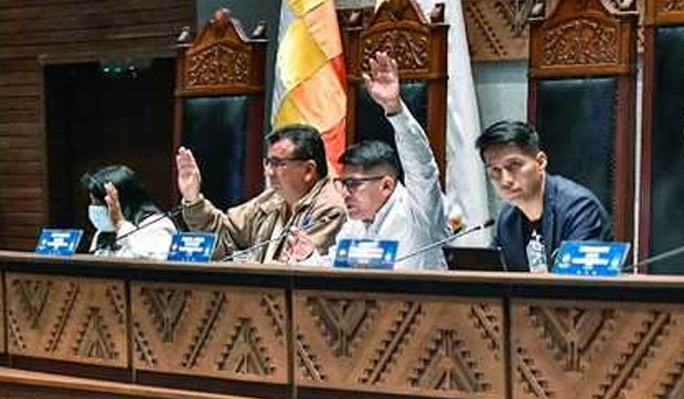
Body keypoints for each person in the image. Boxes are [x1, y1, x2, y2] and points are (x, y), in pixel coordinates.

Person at [281, 52, 451, 269]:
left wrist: (394, 108)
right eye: (342, 183)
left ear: (386, 185)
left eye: (353, 184)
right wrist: (308, 257)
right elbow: (335, 273)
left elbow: (421, 165)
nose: (344, 193)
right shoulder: (355, 224)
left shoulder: (419, 211)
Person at [176, 124, 345, 263]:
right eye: (268, 163)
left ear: (309, 170)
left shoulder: (330, 210)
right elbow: (224, 238)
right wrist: (193, 198)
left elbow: (297, 269)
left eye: (278, 163)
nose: (269, 172)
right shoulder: (272, 200)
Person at [476, 120, 610, 272]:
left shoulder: (579, 209)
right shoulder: (507, 220)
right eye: (495, 170)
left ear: (540, 162)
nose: (505, 180)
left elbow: (581, 283)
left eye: (514, 165)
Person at [81, 165, 176, 260]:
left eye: (98, 203)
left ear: (123, 201)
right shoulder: (103, 232)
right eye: (92, 203)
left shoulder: (156, 224)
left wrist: (120, 224)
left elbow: (153, 260)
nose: (94, 208)